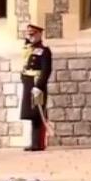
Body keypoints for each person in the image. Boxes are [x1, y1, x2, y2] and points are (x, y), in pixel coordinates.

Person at [20, 23, 52, 152]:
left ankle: (38, 143)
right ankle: (34, 142)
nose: (31, 36)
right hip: (29, 83)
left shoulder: (44, 51)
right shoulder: (28, 49)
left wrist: (39, 86)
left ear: (39, 34)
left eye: (33, 34)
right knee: (32, 114)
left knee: (38, 114)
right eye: (29, 34)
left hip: (37, 83)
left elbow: (46, 70)